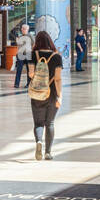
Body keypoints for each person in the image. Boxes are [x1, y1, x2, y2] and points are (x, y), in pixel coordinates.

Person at [26, 30, 63, 160]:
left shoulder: (33, 55)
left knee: (38, 123)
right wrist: (59, 96)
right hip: (52, 93)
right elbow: (58, 79)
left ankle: (38, 142)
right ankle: (48, 152)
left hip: (36, 93)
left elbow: (31, 74)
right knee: (50, 123)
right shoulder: (56, 57)